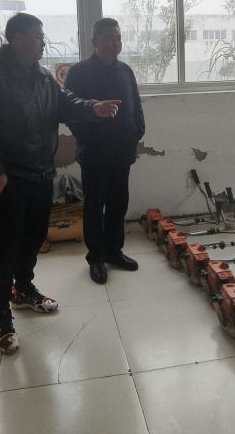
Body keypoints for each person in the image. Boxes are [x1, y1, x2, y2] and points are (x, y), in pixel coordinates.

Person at [0, 13, 120, 354]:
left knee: (34, 237)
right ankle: (1, 313)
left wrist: (93, 107)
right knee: (6, 244)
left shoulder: (43, 76)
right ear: (17, 39)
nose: (43, 42)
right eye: (37, 36)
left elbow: (66, 103)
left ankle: (23, 289)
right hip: (10, 178)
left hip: (41, 173)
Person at [64, 18, 145, 284]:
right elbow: (70, 112)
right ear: (95, 41)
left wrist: (138, 131)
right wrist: (88, 139)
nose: (115, 43)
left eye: (118, 38)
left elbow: (135, 104)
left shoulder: (125, 71)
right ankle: (96, 257)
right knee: (94, 206)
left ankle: (114, 251)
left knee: (118, 203)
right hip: (95, 153)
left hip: (123, 150)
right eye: (110, 38)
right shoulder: (79, 72)